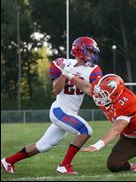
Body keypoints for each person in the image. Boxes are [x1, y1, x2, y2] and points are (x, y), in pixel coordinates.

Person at [1, 36, 103, 174]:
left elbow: (92, 92)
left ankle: (7, 161)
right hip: (60, 110)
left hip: (70, 113)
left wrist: (72, 76)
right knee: (86, 131)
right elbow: (55, 90)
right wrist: (64, 73)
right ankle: (64, 165)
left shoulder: (94, 70)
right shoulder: (63, 63)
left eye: (93, 52)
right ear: (80, 51)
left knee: (43, 146)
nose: (92, 55)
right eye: (89, 51)